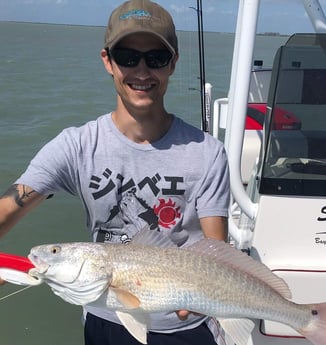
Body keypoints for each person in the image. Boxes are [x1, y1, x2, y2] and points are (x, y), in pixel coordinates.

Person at [0, 0, 230, 344]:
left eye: (156, 58)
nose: (141, 71)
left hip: (184, 327)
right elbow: (7, 209)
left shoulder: (207, 152)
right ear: (108, 61)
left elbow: (217, 251)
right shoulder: (75, 147)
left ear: (173, 65)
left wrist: (212, 293)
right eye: (127, 57)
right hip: (105, 320)